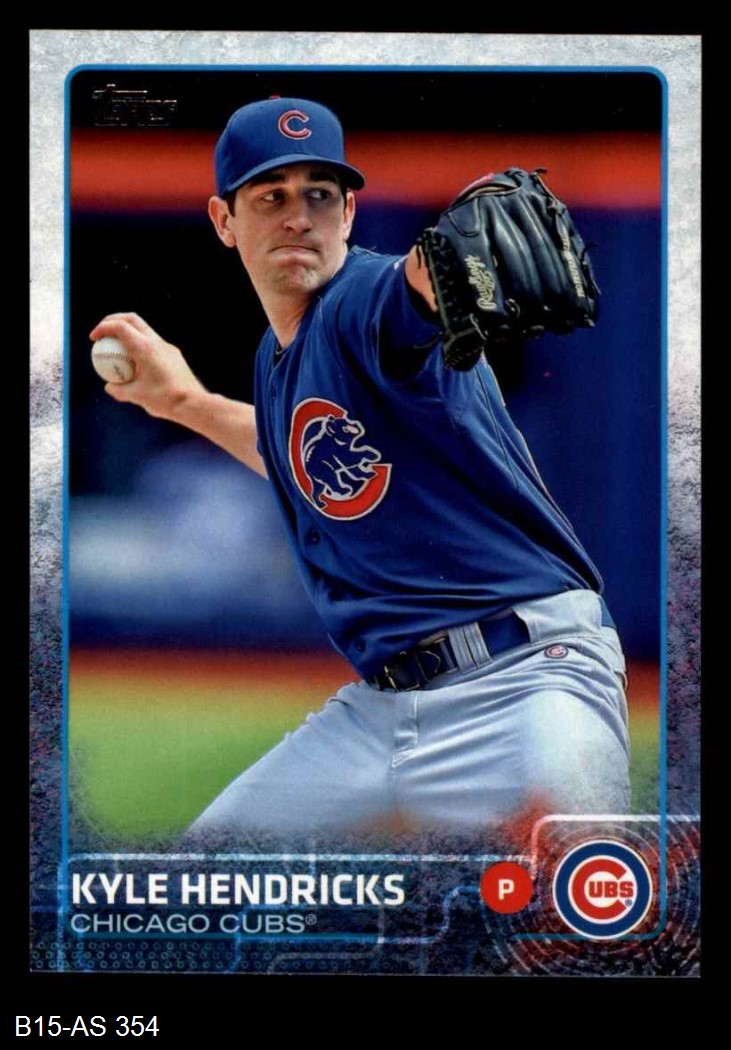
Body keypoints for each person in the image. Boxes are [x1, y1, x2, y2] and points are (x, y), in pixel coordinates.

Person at [90, 97, 630, 846]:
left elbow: (414, 288)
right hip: (381, 712)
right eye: (270, 197)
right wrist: (186, 403)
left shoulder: (361, 303)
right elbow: (295, 459)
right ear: (224, 220)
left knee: (586, 891)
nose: (298, 216)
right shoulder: (279, 357)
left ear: (348, 213)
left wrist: (438, 268)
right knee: (193, 885)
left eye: (319, 194)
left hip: (529, 677)